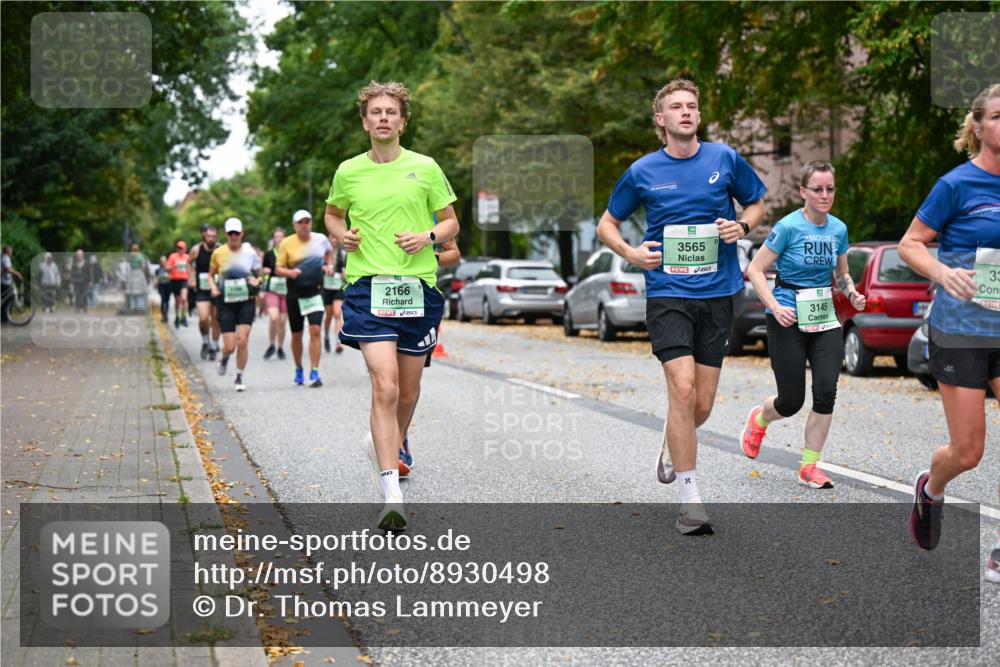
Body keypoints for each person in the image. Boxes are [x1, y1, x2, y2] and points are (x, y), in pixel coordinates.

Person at [596, 78, 767, 535]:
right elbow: (607, 223)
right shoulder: (642, 171)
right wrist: (631, 253)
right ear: (661, 119)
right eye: (677, 107)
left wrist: (742, 227)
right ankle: (691, 500)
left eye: (692, 106)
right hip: (668, 293)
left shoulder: (724, 159)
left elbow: (757, 203)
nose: (686, 112)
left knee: (703, 402)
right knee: (684, 387)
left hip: (717, 292)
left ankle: (675, 442)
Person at [325, 80, 459, 530]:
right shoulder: (348, 171)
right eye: (376, 112)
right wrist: (338, 234)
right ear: (365, 122)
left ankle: (393, 441)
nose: (383, 118)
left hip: (417, 288)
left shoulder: (425, 168)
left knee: (407, 392)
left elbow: (451, 222)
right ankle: (391, 492)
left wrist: (427, 237)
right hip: (368, 287)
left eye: (391, 112)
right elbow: (333, 213)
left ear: (403, 121)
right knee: (383, 387)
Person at [897, 84, 1000, 566]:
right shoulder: (956, 185)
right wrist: (942, 272)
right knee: (967, 451)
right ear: (977, 127)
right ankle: (931, 487)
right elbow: (911, 244)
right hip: (961, 329)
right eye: (998, 116)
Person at [739, 161, 865, 488]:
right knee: (791, 401)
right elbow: (754, 270)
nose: (825, 195)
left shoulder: (838, 229)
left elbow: (841, 274)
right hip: (787, 315)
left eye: (830, 189)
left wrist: (852, 293)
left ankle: (810, 466)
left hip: (823, 316)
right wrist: (776, 306)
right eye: (818, 189)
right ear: (803, 192)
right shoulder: (788, 228)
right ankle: (760, 418)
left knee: (825, 393)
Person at [275, 210, 333, 387]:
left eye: (307, 221)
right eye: (300, 222)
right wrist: (290, 272)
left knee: (316, 330)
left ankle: (314, 371)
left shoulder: (321, 239)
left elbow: (329, 253)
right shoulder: (286, 243)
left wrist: (329, 265)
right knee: (297, 334)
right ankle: (299, 367)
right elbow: (278, 268)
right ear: (294, 225)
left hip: (315, 291)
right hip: (295, 294)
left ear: (311, 223)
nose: (304, 225)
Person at [209, 218, 262, 391]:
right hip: (226, 302)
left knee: (243, 340)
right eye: (230, 233)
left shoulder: (250, 253)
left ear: (242, 233)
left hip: (246, 301)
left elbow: (260, 273)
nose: (233, 236)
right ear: (225, 234)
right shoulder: (218, 253)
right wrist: (213, 288)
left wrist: (257, 279)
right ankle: (224, 358)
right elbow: (211, 275)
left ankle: (239, 377)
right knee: (230, 346)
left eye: (236, 233)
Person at [189, 225, 222, 360]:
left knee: (216, 320)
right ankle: (205, 341)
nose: (211, 239)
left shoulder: (220, 250)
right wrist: (191, 277)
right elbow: (188, 263)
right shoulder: (196, 250)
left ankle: (214, 346)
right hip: (202, 289)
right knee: (203, 318)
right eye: (209, 236)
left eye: (213, 237)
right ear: (204, 236)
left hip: (216, 289)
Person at [261, 228, 289, 360]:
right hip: (272, 290)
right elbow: (262, 270)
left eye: (281, 237)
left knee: (282, 321)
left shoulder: (290, 253)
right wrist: (264, 271)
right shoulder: (268, 254)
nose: (279, 239)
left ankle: (280, 347)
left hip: (286, 290)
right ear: (273, 239)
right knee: (273, 317)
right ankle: (271, 344)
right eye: (276, 237)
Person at [322, 234, 348, 354]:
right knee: (329, 315)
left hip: (338, 287)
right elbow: (317, 267)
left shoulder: (343, 254)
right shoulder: (323, 253)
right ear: (328, 239)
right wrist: (325, 269)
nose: (334, 240)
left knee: (338, 313)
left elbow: (347, 270)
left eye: (336, 238)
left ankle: (338, 342)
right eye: (332, 238)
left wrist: (345, 274)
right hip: (326, 288)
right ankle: (326, 334)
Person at [165, 240, 190, 328]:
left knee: (184, 298)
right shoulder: (173, 256)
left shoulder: (188, 257)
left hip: (184, 279)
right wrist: (173, 266)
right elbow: (167, 267)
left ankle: (184, 316)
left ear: (185, 248)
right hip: (175, 280)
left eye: (182, 248)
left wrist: (192, 279)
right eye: (179, 248)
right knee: (177, 300)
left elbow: (191, 269)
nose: (180, 250)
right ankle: (177, 317)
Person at [124, 244, 151, 313]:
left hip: (132, 273)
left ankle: (133, 306)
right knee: (140, 290)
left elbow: (129, 264)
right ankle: (140, 306)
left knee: (132, 290)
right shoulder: (141, 256)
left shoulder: (130, 256)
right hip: (139, 273)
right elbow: (143, 266)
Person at [1, 245, 23, 322]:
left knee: (5, 299)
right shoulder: (5, 258)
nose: (12, 251)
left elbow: (8, 269)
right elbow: (8, 269)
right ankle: (5, 319)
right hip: (4, 282)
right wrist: (17, 273)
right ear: (7, 251)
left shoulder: (3, 257)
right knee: (8, 300)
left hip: (4, 281)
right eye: (10, 250)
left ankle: (5, 318)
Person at [69, 249, 90, 313]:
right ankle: (77, 308)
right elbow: (72, 273)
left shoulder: (86, 263)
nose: (78, 256)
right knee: (77, 295)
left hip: (84, 282)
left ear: (83, 255)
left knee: (84, 295)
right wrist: (71, 281)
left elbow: (89, 273)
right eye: (77, 255)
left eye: (80, 255)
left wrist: (90, 281)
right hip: (76, 282)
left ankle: (85, 308)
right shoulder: (74, 264)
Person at [155, 255, 172, 323]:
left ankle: (166, 314)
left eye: (164, 261)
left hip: (168, 285)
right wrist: (155, 283)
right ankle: (163, 315)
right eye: (162, 261)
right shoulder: (158, 270)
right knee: (163, 300)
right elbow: (155, 278)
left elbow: (172, 276)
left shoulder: (168, 269)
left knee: (167, 301)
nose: (163, 262)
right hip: (161, 286)